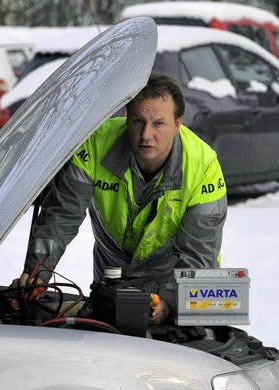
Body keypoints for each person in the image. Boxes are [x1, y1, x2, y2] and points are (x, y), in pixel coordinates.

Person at [14, 72, 227, 324]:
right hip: (112, 273)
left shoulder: (203, 167)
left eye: (158, 123)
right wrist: (38, 271)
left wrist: (169, 302)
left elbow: (198, 254)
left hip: (176, 279)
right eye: (138, 121)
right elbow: (61, 214)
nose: (146, 134)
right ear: (126, 116)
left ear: (178, 123)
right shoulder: (94, 144)